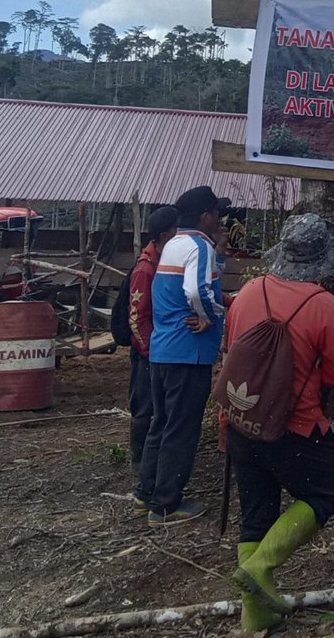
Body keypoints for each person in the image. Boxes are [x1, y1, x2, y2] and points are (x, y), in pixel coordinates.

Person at [224, 214, 334, 632]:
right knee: (324, 493)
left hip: (242, 422)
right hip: (296, 428)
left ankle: (253, 621)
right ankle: (260, 567)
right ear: (322, 261)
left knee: (257, 514)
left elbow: (232, 350)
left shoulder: (247, 292)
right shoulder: (322, 305)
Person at [136, 184, 228, 525]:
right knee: (182, 428)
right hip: (188, 352)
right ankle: (166, 505)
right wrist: (209, 314)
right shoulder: (198, 245)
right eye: (217, 213)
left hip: (163, 350)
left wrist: (219, 254)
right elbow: (197, 288)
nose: (220, 218)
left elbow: (201, 277)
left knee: (161, 424)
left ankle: (147, 493)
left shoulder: (174, 244)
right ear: (205, 216)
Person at [127, 205, 179, 475]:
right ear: (166, 234)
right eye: (176, 230)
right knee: (145, 407)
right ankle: (139, 462)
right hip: (148, 351)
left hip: (158, 348)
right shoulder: (145, 269)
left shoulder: (164, 262)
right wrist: (149, 350)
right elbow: (137, 318)